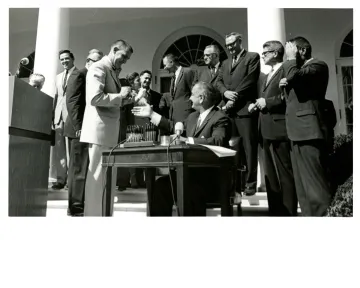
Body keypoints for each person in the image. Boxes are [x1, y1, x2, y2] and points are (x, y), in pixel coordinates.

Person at [132, 82, 232, 216]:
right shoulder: (192, 117)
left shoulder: (220, 117)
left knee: (189, 191)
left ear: (201, 98)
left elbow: (217, 141)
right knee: (160, 186)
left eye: (192, 95)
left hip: (208, 180)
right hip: (185, 175)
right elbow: (173, 126)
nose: (189, 98)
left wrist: (188, 140)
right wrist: (152, 115)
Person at [80, 39, 134, 216]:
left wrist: (127, 99)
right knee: (96, 181)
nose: (124, 61)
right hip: (99, 133)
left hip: (109, 133)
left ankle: (104, 215)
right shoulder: (98, 67)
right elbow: (95, 99)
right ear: (114, 49)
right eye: (123, 56)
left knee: (107, 181)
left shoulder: (112, 71)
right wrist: (120, 95)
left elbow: (111, 100)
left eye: (127, 59)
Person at [280, 36, 332, 216]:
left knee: (315, 187)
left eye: (291, 50)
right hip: (296, 131)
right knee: (303, 188)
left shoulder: (318, 65)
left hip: (309, 131)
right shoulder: (298, 69)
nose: (288, 55)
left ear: (302, 50)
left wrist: (290, 60)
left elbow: (297, 77)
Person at [251, 41, 297, 216]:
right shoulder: (267, 75)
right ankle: (275, 211)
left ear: (276, 53)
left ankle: (289, 212)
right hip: (265, 129)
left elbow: (287, 96)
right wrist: (258, 104)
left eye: (265, 53)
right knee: (270, 175)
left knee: (285, 173)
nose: (262, 55)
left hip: (279, 129)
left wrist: (267, 102)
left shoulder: (285, 69)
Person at [216, 32, 260, 196]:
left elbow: (250, 80)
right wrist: (225, 92)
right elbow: (219, 81)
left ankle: (250, 183)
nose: (229, 48)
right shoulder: (225, 63)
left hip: (245, 111)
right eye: (227, 45)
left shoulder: (252, 57)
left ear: (240, 42)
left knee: (249, 149)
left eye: (232, 44)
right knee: (231, 149)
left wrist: (233, 97)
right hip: (229, 112)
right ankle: (236, 184)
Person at [63, 49, 103, 216]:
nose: (99, 65)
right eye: (96, 61)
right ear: (88, 61)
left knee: (83, 168)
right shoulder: (80, 74)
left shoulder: (91, 76)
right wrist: (79, 127)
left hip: (87, 129)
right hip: (77, 129)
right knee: (77, 170)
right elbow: (72, 103)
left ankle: (80, 204)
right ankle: (75, 208)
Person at [50, 49, 77, 190]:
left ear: (73, 59)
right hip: (58, 116)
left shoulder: (78, 74)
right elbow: (56, 96)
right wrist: (52, 116)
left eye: (66, 58)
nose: (64, 61)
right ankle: (61, 180)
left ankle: (71, 181)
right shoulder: (58, 77)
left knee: (71, 150)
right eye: (62, 59)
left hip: (72, 116)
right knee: (60, 149)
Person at [162, 53, 196, 125]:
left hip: (185, 115)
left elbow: (194, 92)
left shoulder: (187, 72)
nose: (164, 68)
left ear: (171, 62)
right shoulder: (173, 77)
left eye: (165, 65)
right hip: (174, 115)